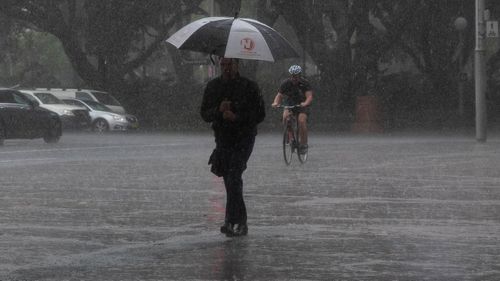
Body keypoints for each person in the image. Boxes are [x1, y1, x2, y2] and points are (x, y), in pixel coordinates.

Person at [200, 57, 264, 237]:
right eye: (223, 65)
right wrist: (219, 111)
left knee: (234, 176)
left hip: (243, 138)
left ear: (237, 65)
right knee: (229, 179)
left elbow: (259, 114)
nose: (226, 68)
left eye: (230, 65)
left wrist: (236, 115)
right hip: (223, 139)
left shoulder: (249, 86)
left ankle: (236, 222)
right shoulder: (213, 86)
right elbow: (205, 113)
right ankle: (234, 221)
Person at [271, 64, 313, 153]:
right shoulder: (285, 83)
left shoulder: (305, 83)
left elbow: (309, 96)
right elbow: (279, 96)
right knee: (285, 117)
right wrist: (275, 103)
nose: (294, 78)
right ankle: (290, 137)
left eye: (296, 76)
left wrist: (305, 103)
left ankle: (303, 144)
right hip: (290, 103)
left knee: (302, 121)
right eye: (292, 76)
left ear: (299, 75)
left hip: (302, 105)